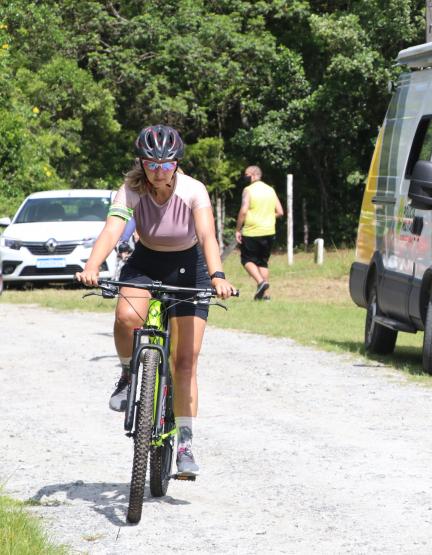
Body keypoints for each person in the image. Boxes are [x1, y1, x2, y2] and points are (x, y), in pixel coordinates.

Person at [75, 124, 236, 476]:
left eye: (166, 164)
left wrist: (218, 275)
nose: (159, 171)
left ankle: (185, 445)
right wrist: (92, 265)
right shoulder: (130, 190)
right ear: (142, 163)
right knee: (126, 316)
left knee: (184, 362)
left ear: (177, 163)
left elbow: (207, 235)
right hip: (146, 262)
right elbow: (113, 229)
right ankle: (128, 374)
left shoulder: (194, 191)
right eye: (151, 164)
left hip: (189, 266)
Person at [234, 165, 283, 300]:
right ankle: (265, 295)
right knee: (263, 262)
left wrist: (238, 229)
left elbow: (243, 211)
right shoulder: (270, 190)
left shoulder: (248, 190)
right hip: (269, 231)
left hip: (252, 231)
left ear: (253, 175)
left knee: (246, 260)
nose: (245, 177)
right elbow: (280, 212)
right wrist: (267, 217)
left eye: (247, 174)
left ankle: (261, 282)